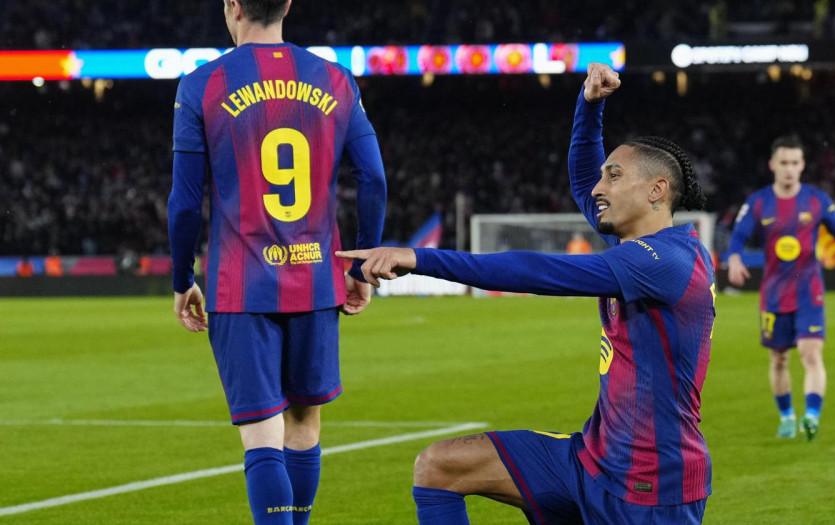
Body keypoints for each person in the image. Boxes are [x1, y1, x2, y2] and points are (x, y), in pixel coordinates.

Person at [338, 63, 713, 525]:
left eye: (613, 176)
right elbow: (580, 182)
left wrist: (421, 259)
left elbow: (537, 271)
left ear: (657, 190)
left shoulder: (668, 263)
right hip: (591, 460)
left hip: (651, 484)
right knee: (439, 466)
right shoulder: (641, 247)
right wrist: (589, 105)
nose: (597, 188)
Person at [167, 1, 386, 523]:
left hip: (239, 286)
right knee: (304, 427)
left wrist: (182, 279)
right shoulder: (335, 80)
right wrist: (360, 266)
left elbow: (183, 202)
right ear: (287, 4)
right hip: (315, 279)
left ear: (233, 7)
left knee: (262, 435)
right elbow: (373, 178)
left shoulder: (202, 84)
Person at [725, 136, 835, 440]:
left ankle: (811, 415)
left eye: (795, 163)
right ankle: (787, 416)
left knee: (811, 354)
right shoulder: (758, 202)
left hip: (808, 289)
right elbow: (738, 237)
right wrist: (734, 259)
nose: (789, 169)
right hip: (773, 292)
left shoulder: (816, 199)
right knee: (779, 358)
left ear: (802, 166)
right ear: (773, 165)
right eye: (783, 163)